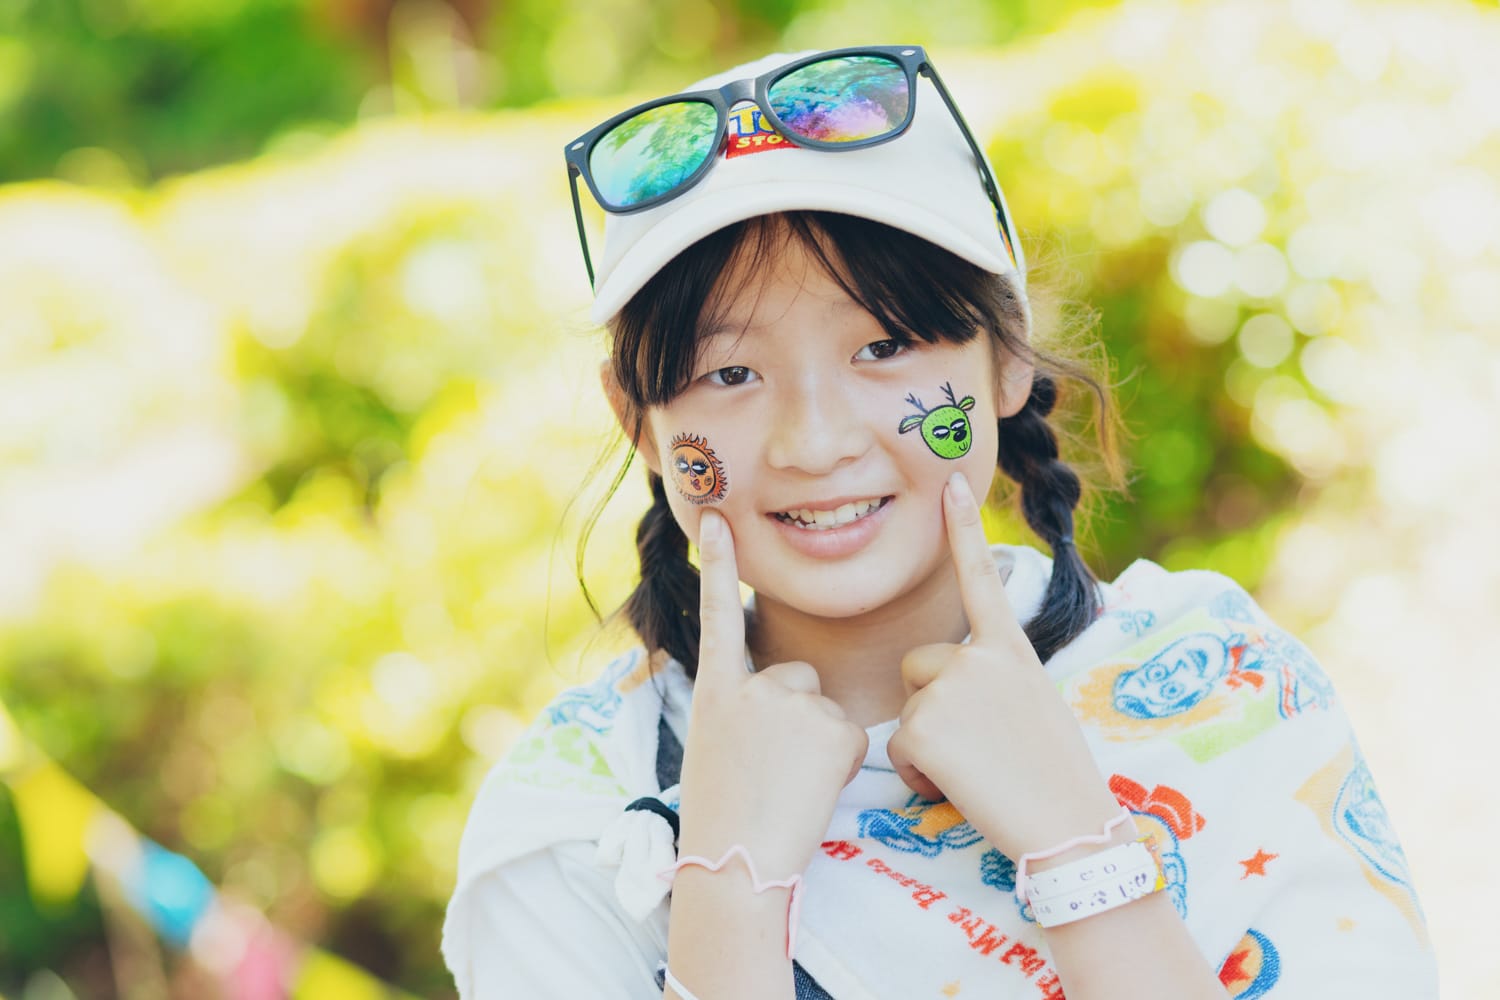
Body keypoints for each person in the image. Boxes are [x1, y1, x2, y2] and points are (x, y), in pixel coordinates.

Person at [442, 46, 1438, 999]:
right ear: (638, 422)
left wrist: (1080, 850)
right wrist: (726, 892)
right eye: (731, 372)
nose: (816, 442)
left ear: (1008, 356)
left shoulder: (1223, 690)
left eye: (884, 345)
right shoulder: (577, 814)